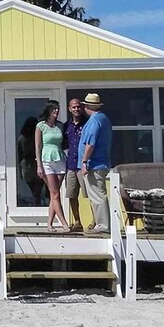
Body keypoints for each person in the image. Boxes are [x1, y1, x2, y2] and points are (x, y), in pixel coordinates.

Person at [78, 93, 112, 234]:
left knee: (97, 195)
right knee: (97, 195)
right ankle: (101, 223)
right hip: (100, 163)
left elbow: (90, 144)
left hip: (94, 165)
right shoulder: (103, 119)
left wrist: (85, 161)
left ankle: (102, 225)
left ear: (87, 106)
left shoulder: (94, 121)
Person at [35, 100, 71, 233]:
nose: (56, 111)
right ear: (48, 110)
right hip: (46, 160)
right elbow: (38, 147)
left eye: (58, 109)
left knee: (53, 194)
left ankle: (49, 224)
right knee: (55, 193)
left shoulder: (60, 126)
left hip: (60, 159)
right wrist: (39, 165)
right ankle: (64, 223)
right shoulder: (41, 126)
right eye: (53, 109)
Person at [62, 98, 90, 232]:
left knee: (90, 194)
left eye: (78, 107)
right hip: (71, 164)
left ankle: (95, 221)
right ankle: (77, 221)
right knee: (72, 195)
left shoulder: (87, 124)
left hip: (84, 164)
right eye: (74, 107)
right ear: (69, 109)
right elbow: (64, 144)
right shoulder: (66, 125)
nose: (76, 109)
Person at [17, 116, 45, 206]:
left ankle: (36, 203)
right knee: (37, 188)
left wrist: (20, 170)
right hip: (34, 163)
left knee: (34, 188)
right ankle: (37, 203)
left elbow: (19, 156)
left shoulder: (21, 139)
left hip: (27, 164)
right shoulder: (37, 139)